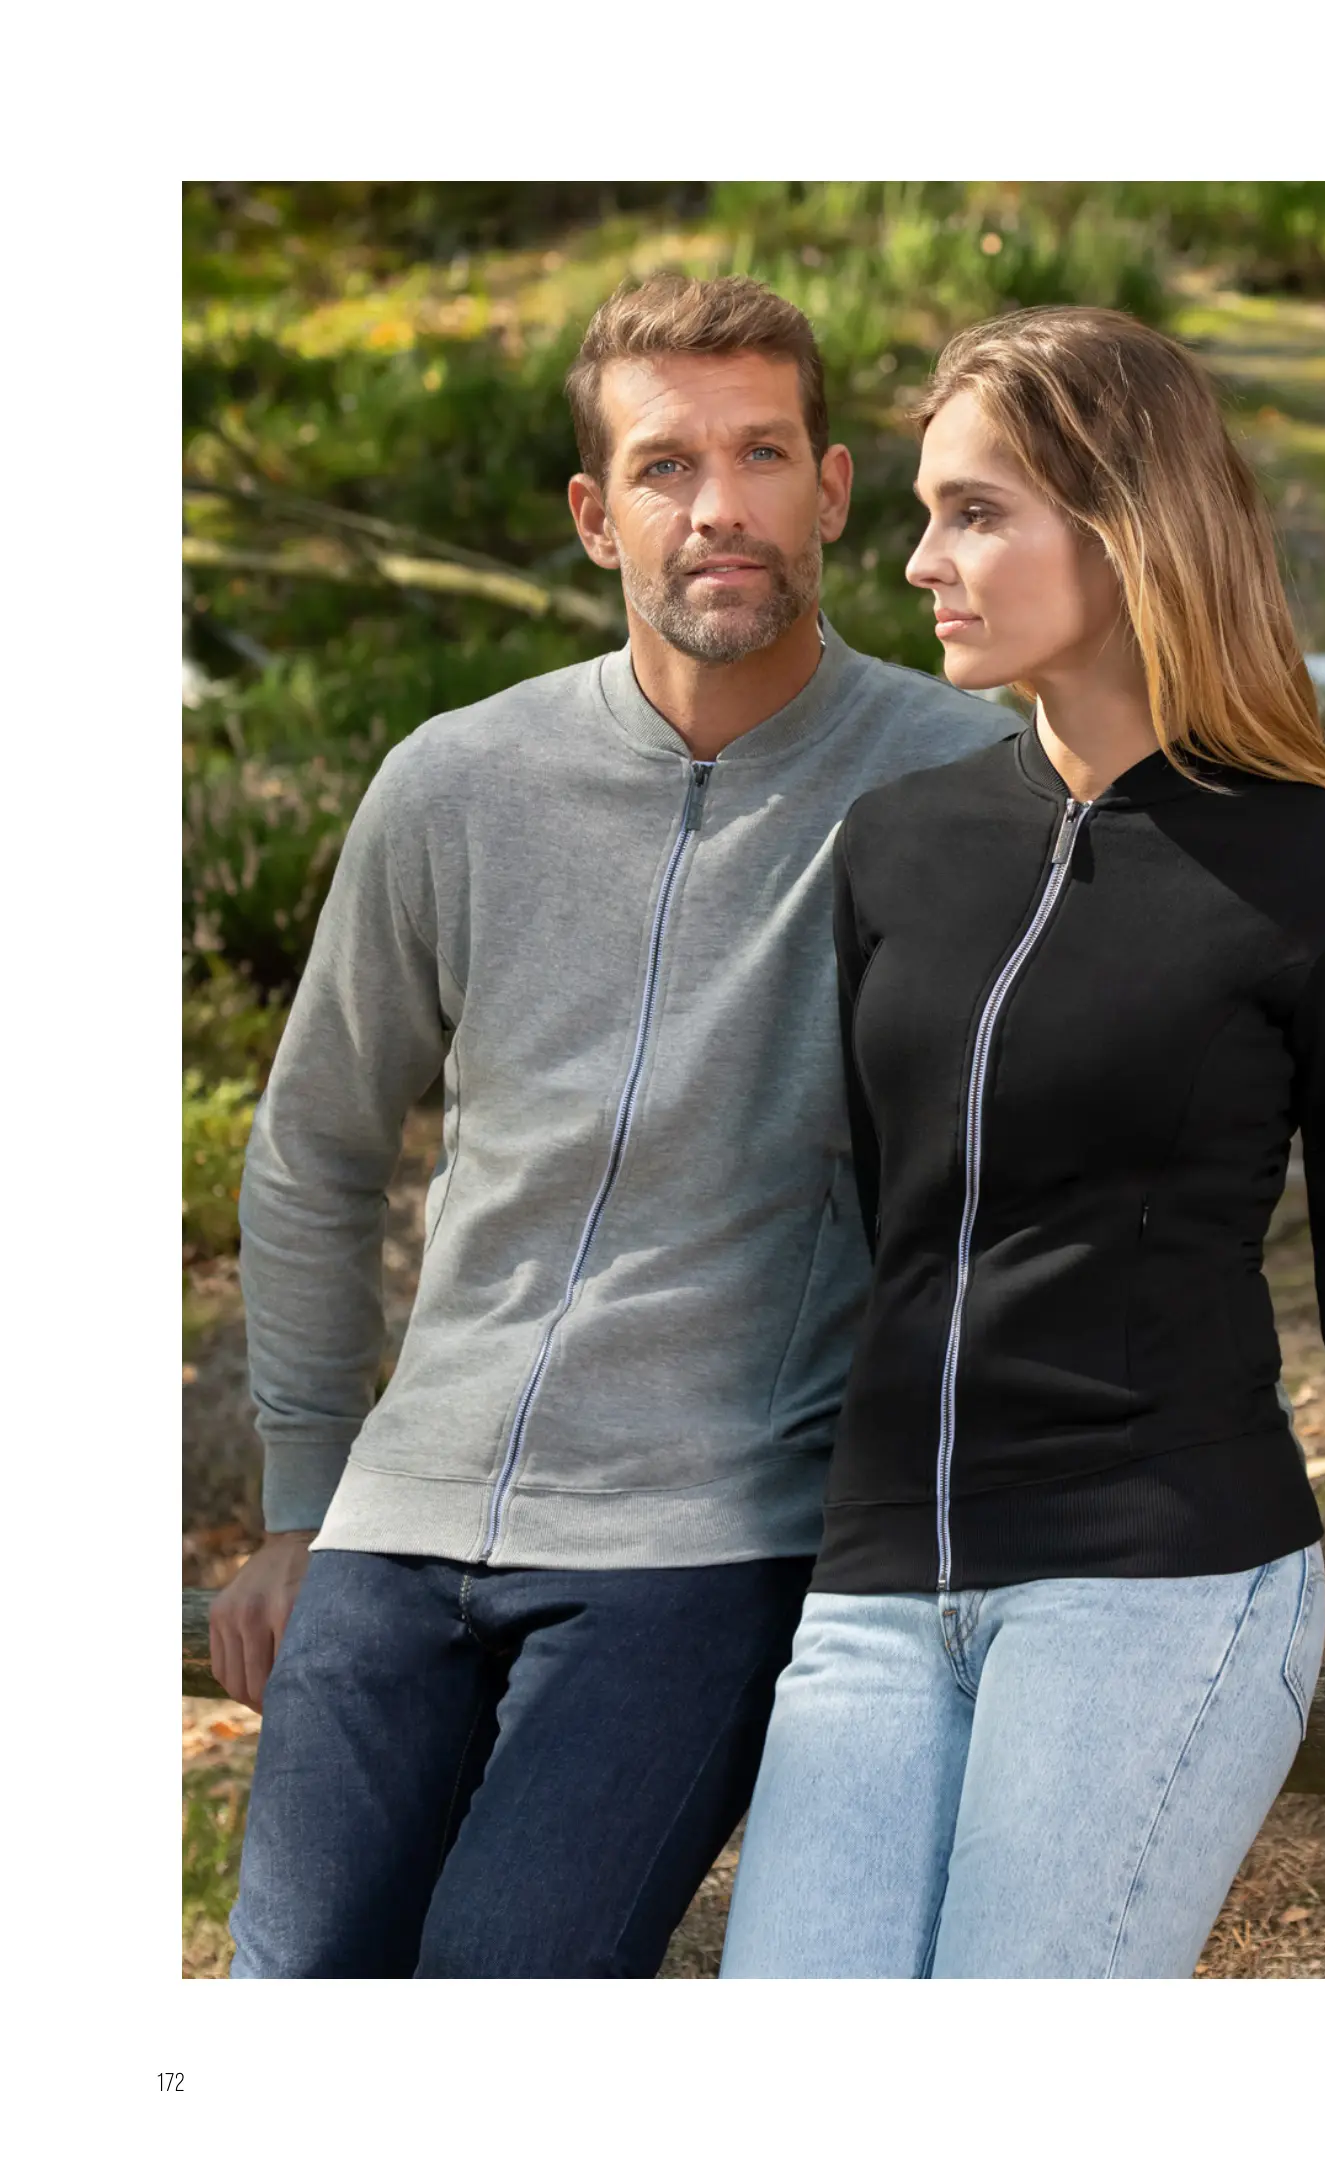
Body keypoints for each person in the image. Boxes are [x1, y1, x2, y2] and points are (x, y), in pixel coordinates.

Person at [211, 273, 1010, 1979]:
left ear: (835, 492)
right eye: (665, 466)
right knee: (289, 1999)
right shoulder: (457, 781)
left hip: (706, 1537)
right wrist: (300, 1498)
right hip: (400, 1518)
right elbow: (314, 1149)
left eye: (762, 454)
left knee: (506, 1995)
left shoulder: (963, 786)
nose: (719, 506)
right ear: (595, 517)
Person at [719, 304, 1325, 1981]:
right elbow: (884, 1236)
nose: (921, 560)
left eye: (975, 513)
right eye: (925, 512)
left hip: (1154, 1576)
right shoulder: (899, 846)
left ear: (1128, 527)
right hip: (876, 1591)